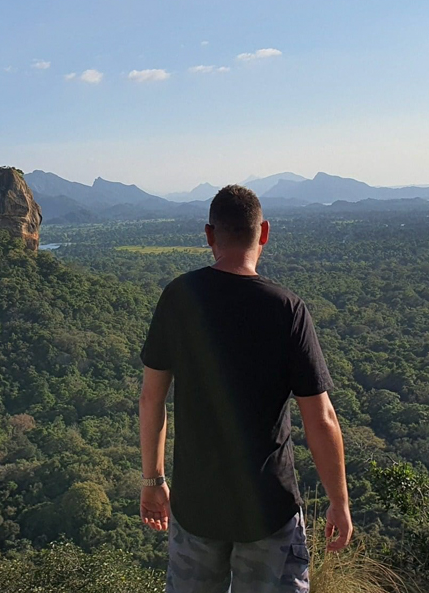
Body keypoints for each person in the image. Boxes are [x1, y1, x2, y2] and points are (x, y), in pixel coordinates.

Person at [138, 184, 351, 592]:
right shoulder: (287, 308)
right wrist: (338, 502)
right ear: (264, 233)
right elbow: (320, 419)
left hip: (197, 507)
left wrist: (153, 480)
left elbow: (152, 398)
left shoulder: (178, 297)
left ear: (210, 235)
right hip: (268, 508)